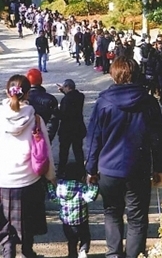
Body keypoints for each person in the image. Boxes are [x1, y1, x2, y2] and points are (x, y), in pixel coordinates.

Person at [85, 56, 162, 258]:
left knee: (112, 212)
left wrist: (91, 168)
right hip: (138, 168)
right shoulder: (149, 102)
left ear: (114, 75)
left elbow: (94, 137)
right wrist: (158, 167)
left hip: (109, 169)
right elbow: (158, 137)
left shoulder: (104, 102)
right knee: (137, 218)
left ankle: (113, 254)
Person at [0, 74, 56, 258]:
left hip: (3, 181)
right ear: (27, 94)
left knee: (5, 227)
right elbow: (45, 150)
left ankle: (7, 254)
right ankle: (26, 253)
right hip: (28, 180)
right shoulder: (35, 118)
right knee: (27, 225)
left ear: (8, 92)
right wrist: (51, 177)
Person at [47, 162, 99, 258]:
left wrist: (50, 186)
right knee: (85, 236)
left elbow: (53, 198)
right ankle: (83, 250)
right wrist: (94, 184)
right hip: (81, 221)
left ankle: (72, 254)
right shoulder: (82, 187)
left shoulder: (60, 188)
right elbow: (90, 197)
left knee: (71, 240)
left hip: (67, 223)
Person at [57, 79, 86, 177]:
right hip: (78, 128)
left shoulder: (65, 100)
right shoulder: (80, 96)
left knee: (64, 151)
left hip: (67, 130)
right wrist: (64, 91)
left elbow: (62, 115)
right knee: (78, 150)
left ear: (67, 87)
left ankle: (61, 170)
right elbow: (72, 98)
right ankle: (81, 170)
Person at [26, 68, 60, 142]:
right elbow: (54, 121)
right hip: (43, 136)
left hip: (26, 137)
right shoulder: (50, 99)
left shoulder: (23, 99)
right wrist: (47, 138)